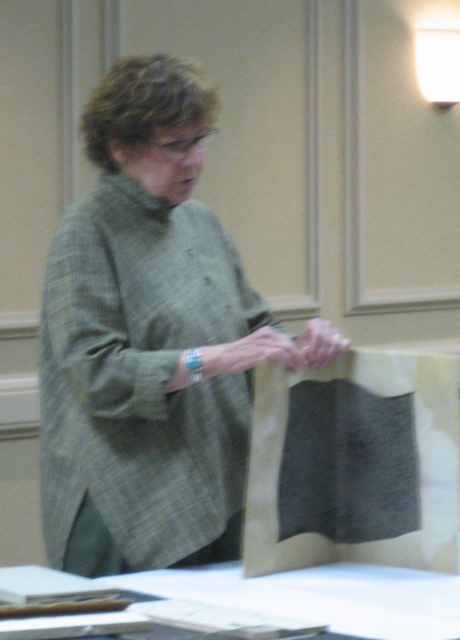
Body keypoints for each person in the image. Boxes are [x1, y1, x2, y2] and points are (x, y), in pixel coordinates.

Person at [38, 53, 350, 578]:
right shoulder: (86, 231)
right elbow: (96, 375)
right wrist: (218, 359)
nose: (193, 161)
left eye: (200, 140)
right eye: (174, 145)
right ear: (119, 147)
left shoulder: (200, 223)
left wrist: (306, 343)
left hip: (223, 486)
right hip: (129, 505)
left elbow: (256, 331)